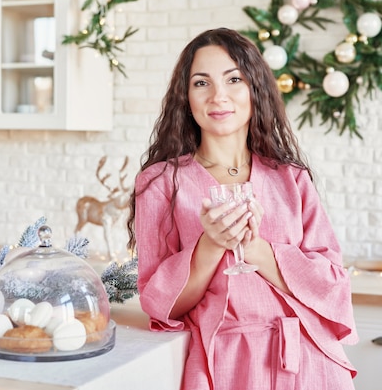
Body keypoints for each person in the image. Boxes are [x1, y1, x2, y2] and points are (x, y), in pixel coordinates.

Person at [127, 27, 357, 390]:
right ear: (186, 97)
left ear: (255, 89)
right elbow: (161, 305)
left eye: (234, 79)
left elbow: (332, 285)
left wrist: (255, 249)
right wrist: (211, 244)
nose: (219, 95)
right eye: (201, 83)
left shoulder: (291, 179)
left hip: (309, 360)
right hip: (227, 363)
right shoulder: (160, 183)